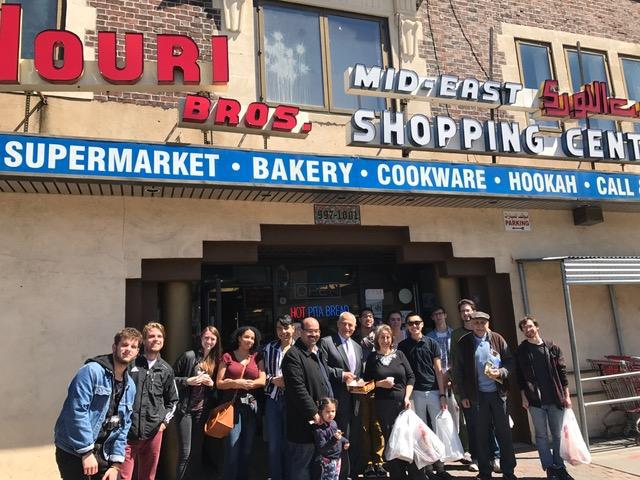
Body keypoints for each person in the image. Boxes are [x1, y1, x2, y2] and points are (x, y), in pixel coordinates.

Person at [54, 327, 142, 480]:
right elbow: (76, 411)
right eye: (124, 345)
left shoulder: (130, 387)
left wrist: (116, 464)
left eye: (133, 347)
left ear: (137, 352)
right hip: (74, 450)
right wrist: (86, 452)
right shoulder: (91, 371)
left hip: (104, 452)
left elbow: (124, 425)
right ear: (115, 347)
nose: (128, 349)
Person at [453, 311, 517, 480]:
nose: (480, 326)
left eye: (483, 322)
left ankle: (508, 471)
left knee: (504, 434)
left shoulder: (497, 338)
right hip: (476, 397)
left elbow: (510, 361)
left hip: (498, 394)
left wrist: (501, 372)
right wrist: (463, 395)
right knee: (480, 435)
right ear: (471, 324)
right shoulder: (463, 343)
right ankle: (484, 471)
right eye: (476, 323)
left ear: (488, 323)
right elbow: (458, 371)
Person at [515, 316, 573, 480]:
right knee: (541, 436)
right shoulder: (521, 351)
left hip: (555, 398)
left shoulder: (552, 348)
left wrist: (567, 396)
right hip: (535, 400)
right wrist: (523, 397)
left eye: (530, 326)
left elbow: (562, 373)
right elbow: (519, 378)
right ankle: (549, 468)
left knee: (558, 435)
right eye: (524, 328)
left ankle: (560, 467)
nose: (528, 330)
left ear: (537, 327)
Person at [121, 323, 179, 480]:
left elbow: (173, 400)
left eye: (159, 336)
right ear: (144, 341)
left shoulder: (166, 369)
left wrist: (164, 423)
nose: (156, 339)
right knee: (123, 476)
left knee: (148, 476)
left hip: (153, 431)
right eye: (151, 336)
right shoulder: (131, 364)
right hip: (128, 431)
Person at [398, 312, 451, 480]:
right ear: (407, 326)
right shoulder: (402, 346)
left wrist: (442, 394)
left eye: (417, 323)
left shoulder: (432, 343)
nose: (414, 326)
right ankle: (427, 469)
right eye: (411, 323)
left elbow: (438, 370)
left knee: (438, 430)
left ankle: (440, 467)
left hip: (434, 391)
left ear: (422, 324)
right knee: (421, 432)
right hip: (415, 393)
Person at [281, 316, 334, 480]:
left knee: (317, 466)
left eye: (317, 331)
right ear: (300, 332)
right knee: (301, 467)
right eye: (310, 331)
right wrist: (313, 412)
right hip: (303, 424)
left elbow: (325, 377)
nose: (314, 334)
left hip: (320, 424)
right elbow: (298, 389)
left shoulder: (316, 353)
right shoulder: (293, 355)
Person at [363, 324, 418, 479]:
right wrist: (380, 384)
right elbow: (367, 383)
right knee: (391, 438)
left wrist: (407, 397)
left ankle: (412, 472)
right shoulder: (372, 358)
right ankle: (396, 474)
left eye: (388, 337)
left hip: (403, 403)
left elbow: (411, 377)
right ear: (377, 340)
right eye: (382, 337)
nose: (385, 340)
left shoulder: (399, 354)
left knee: (407, 437)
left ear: (392, 338)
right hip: (383, 404)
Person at [216, 326, 266, 480]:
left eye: (252, 338)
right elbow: (219, 383)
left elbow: (262, 380)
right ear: (239, 338)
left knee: (247, 450)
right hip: (232, 407)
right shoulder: (227, 357)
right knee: (232, 448)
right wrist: (236, 383)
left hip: (250, 407)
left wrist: (250, 384)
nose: (250, 340)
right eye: (246, 337)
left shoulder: (257, 357)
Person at [319, 311, 363, 480]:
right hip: (336, 402)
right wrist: (340, 374)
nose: (347, 327)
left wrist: (361, 382)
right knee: (339, 439)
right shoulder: (327, 342)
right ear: (338, 324)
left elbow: (358, 372)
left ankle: (352, 473)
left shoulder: (357, 347)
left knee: (354, 438)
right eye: (344, 323)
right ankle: (340, 474)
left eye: (351, 325)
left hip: (355, 400)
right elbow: (322, 369)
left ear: (355, 327)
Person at [173, 326, 221, 480]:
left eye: (212, 339)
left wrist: (211, 384)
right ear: (200, 339)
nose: (209, 341)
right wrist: (188, 381)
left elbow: (217, 388)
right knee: (185, 452)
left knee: (197, 452)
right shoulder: (189, 356)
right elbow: (170, 380)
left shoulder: (215, 360)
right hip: (185, 410)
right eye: (206, 338)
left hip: (202, 410)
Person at [263, 315, 296, 480]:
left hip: (294, 401)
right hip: (274, 399)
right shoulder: (269, 348)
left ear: (293, 329)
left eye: (286, 328)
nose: (283, 332)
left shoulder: (300, 348)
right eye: (279, 328)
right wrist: (273, 380)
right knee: (274, 443)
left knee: (291, 441)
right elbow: (262, 374)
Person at [353, 308, 384, 475]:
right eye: (364, 316)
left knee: (377, 426)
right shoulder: (354, 337)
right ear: (360, 319)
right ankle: (368, 463)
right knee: (363, 427)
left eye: (370, 316)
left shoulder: (379, 336)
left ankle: (379, 461)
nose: (368, 319)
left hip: (378, 384)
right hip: (360, 385)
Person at [425, 307, 460, 425]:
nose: (438, 316)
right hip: (436, 379)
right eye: (435, 314)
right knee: (440, 414)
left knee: (456, 410)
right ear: (432, 318)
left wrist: (450, 375)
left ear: (445, 315)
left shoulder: (454, 334)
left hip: (453, 378)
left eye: (440, 314)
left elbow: (458, 357)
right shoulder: (429, 337)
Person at [313, 397, 350, 480]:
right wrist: (334, 439)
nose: (331, 414)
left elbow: (338, 436)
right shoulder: (319, 430)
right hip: (328, 459)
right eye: (327, 412)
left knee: (336, 477)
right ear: (320, 412)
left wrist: (345, 441)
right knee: (328, 478)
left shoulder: (333, 423)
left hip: (337, 457)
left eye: (333, 411)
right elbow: (322, 448)